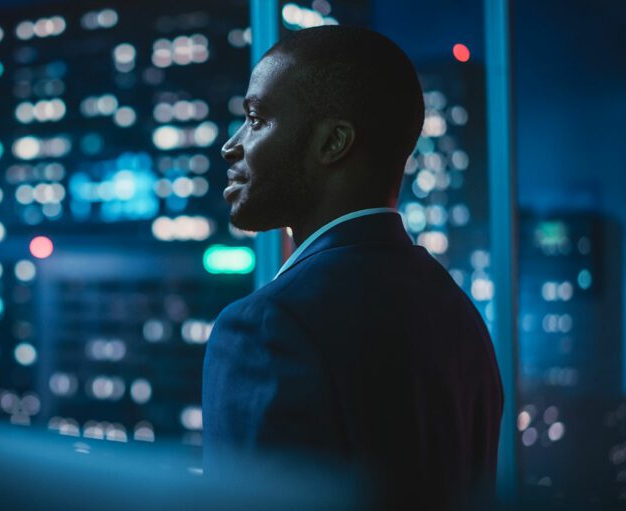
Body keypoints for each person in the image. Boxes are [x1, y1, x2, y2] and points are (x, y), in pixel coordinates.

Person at [201, 25, 503, 508]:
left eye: (256, 120)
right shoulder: (457, 311)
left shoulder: (266, 328)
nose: (231, 145)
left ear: (333, 143)